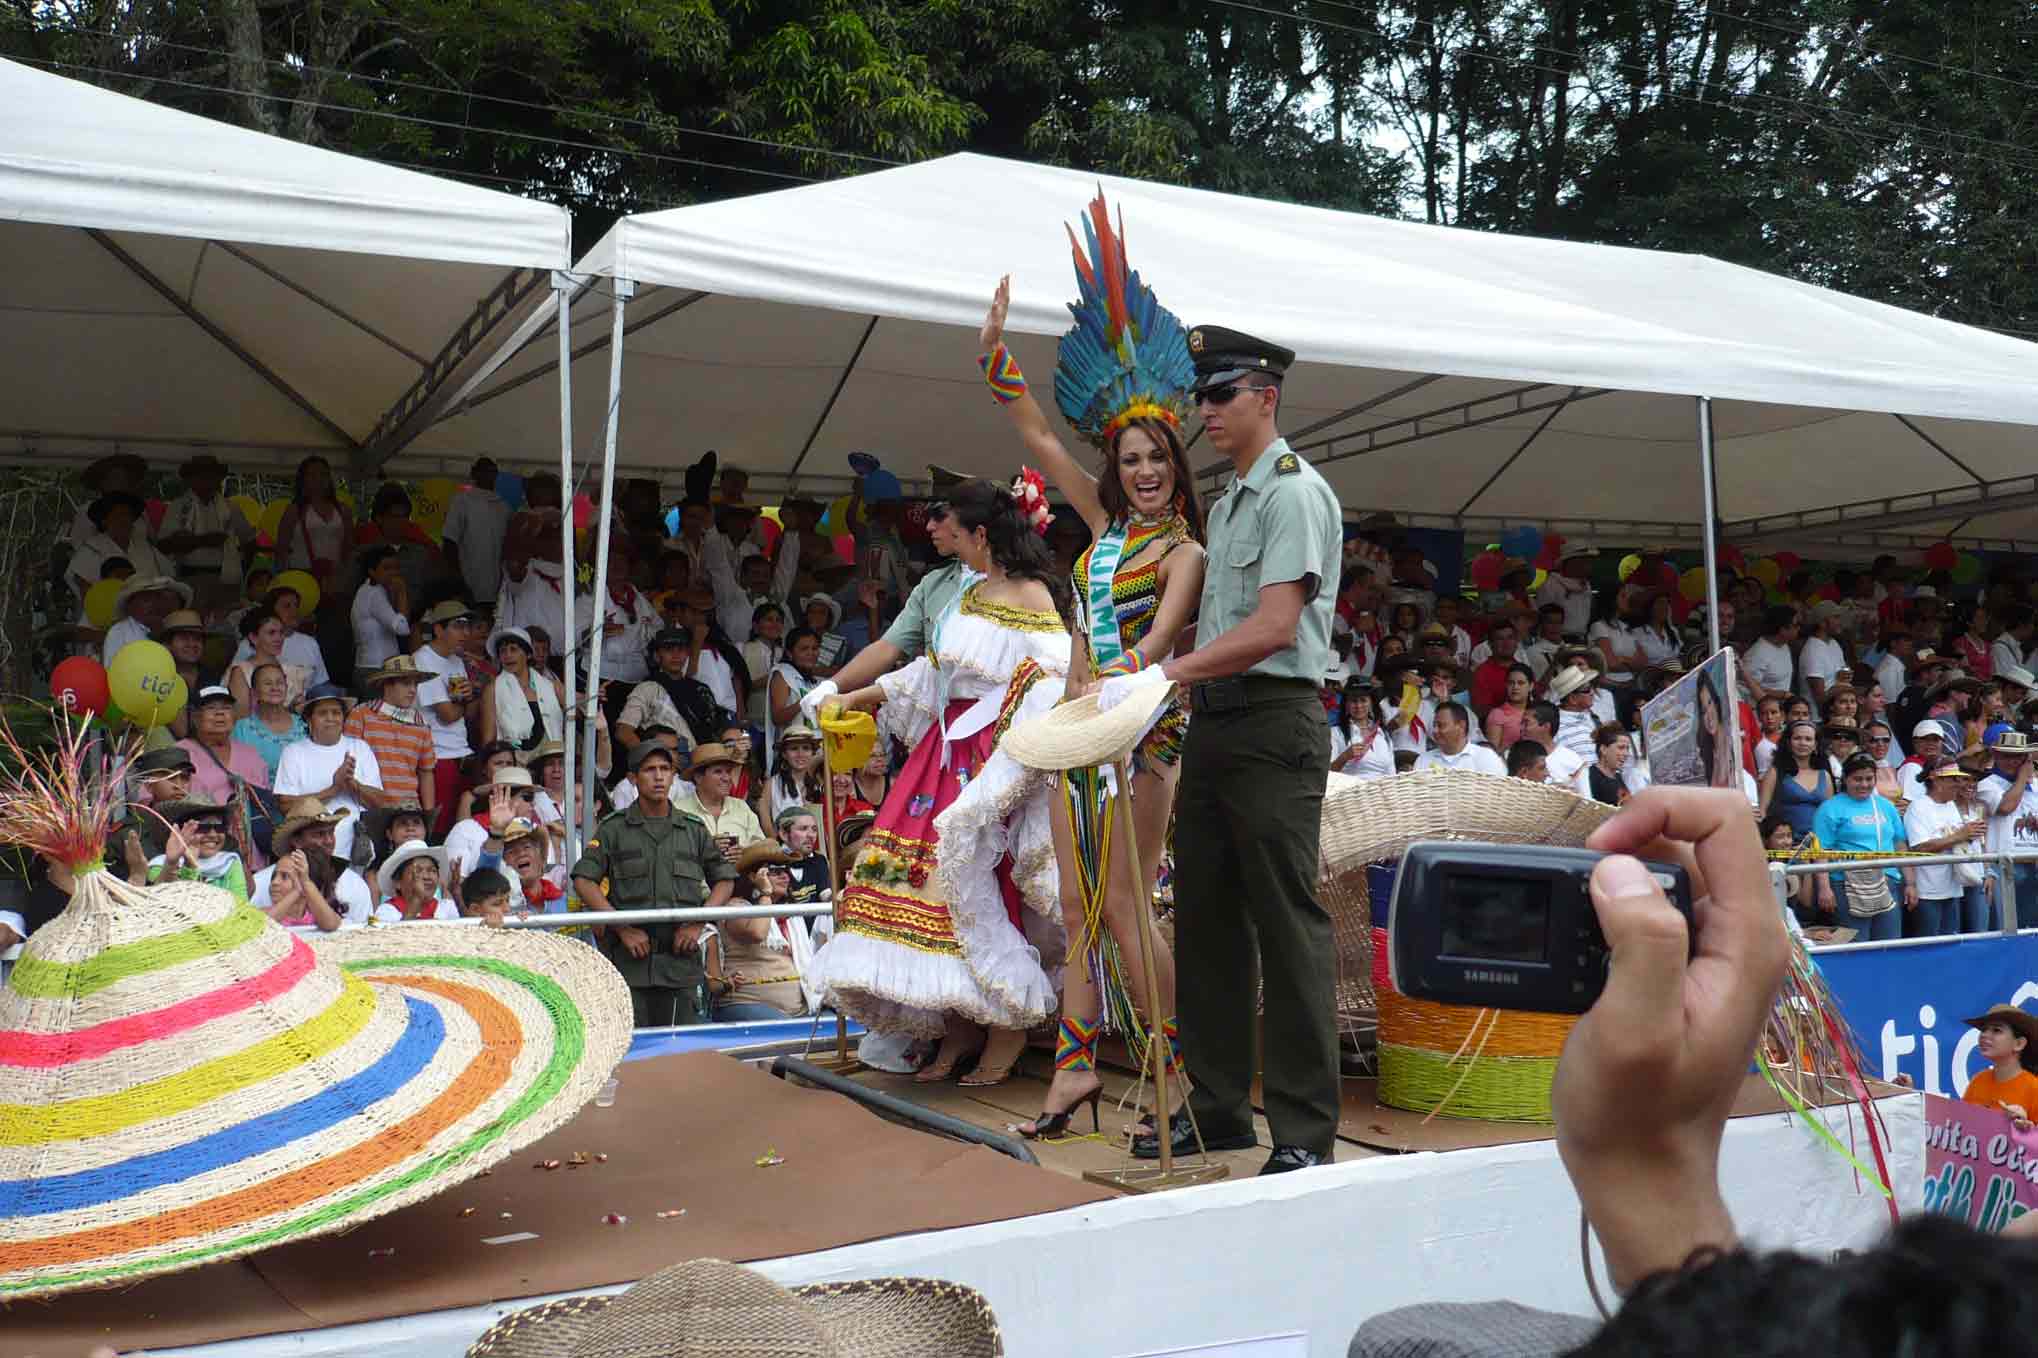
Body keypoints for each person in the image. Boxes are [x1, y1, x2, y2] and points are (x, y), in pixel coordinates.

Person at [1089, 322, 1340, 1175]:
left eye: (1219, 394)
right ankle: (1220, 1108)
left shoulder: (1290, 492)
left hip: (1274, 722)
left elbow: (1275, 627)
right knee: (1204, 921)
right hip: (1218, 722)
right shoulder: (1233, 499)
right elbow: (1230, 622)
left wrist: (1162, 672)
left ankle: (1303, 1130)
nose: (1206, 410)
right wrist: (1149, 663)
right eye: (1202, 395)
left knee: (1285, 921)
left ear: (1265, 397)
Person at [975, 252, 1208, 1131]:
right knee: (1078, 910)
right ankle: (1074, 1078)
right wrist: (995, 354)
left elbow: (1154, 648)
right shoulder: (1106, 529)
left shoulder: (1185, 552)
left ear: (1177, 464)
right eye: (1129, 457)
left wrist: (1104, 684)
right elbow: (1038, 438)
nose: (1143, 470)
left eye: (1156, 457)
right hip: (1078, 734)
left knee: (1122, 902)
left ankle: (1176, 1077)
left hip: (1144, 735)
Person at [807, 477, 1071, 1088]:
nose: (930, 528)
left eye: (942, 519)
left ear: (979, 533)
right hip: (943, 753)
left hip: (990, 755)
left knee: (982, 882)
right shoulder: (968, 593)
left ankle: (1005, 1027)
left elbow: (1054, 681)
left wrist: (1008, 751)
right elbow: (932, 671)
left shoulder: (1033, 594)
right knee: (930, 886)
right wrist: (852, 694)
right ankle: (958, 1026)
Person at [573, 742, 738, 1027]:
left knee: (680, 1054)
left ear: (674, 776)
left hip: (680, 963)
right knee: (633, 1055)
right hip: (629, 964)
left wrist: (698, 922)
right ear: (634, 778)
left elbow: (725, 880)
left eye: (665, 769)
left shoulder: (692, 828)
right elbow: (583, 880)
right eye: (650, 770)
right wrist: (622, 928)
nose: (659, 777)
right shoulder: (614, 828)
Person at [1809, 753, 1916, 941]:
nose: (1864, 784)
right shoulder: (1829, 808)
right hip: (1846, 884)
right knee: (1856, 944)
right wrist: (1824, 888)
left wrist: (1910, 883)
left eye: (1869, 779)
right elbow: (1820, 851)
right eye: (1857, 779)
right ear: (1846, 779)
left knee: (1890, 943)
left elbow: (1900, 845)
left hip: (1886, 881)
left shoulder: (1886, 806)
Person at [272, 683, 385, 861]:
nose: (331, 718)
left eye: (336, 712)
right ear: (309, 719)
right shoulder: (293, 752)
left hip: (356, 851)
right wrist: (334, 789)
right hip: (311, 853)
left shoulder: (360, 748)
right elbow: (285, 805)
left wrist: (352, 785)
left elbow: (379, 802)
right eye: (322, 713)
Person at [250, 797, 373, 929]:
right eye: (319, 834)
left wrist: (305, 884)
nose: (329, 841)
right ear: (296, 841)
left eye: (331, 833)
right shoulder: (259, 883)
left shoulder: (354, 883)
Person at [342, 655, 437, 821]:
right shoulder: (361, 714)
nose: (413, 690)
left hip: (409, 811)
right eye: (406, 683)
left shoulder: (421, 724)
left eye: (415, 684)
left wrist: (428, 816)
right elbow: (346, 764)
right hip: (368, 808)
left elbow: (426, 772)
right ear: (386, 684)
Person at [412, 600, 479, 834]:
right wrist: (465, 701)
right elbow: (449, 714)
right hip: (438, 755)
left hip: (463, 752)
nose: (465, 632)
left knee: (465, 828)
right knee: (440, 829)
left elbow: (469, 713)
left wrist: (469, 698)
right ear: (439, 629)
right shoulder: (423, 659)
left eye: (467, 626)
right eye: (458, 626)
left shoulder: (457, 660)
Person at [1903, 760, 1983, 939]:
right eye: (1953, 779)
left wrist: (1970, 836)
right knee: (1928, 946)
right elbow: (1919, 847)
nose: (1959, 784)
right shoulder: (1918, 807)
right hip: (1927, 891)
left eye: (1959, 778)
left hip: (1952, 887)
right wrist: (1960, 835)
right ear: (1936, 780)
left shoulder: (1950, 805)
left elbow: (1956, 840)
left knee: (1950, 943)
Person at [616, 627, 720, 756]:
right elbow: (623, 731)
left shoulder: (701, 689)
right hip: (666, 761)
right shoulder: (647, 688)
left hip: (701, 761)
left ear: (688, 653)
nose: (675, 655)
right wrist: (650, 759)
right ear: (657, 654)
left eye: (681, 650)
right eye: (668, 649)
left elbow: (715, 730)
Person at [176, 684, 272, 820]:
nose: (219, 713)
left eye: (226, 708)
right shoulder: (178, 753)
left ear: (234, 716)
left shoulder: (251, 754)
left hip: (248, 838)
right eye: (210, 708)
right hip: (201, 835)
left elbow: (266, 801)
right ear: (195, 718)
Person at [675, 742, 767, 871]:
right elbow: (671, 856)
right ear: (698, 777)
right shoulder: (678, 809)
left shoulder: (741, 807)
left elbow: (761, 850)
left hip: (740, 884)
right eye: (718, 772)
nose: (727, 778)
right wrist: (706, 850)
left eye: (728, 772)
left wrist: (745, 853)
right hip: (695, 887)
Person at [143, 795, 249, 904]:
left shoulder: (229, 862)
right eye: (203, 827)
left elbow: (241, 905)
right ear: (180, 831)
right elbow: (166, 905)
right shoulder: (160, 865)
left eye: (219, 827)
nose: (213, 834)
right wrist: (184, 865)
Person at [66, 490, 172, 598]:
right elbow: (86, 593)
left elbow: (169, 576)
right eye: (118, 515)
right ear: (104, 521)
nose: (124, 520)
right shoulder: (91, 549)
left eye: (128, 515)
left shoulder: (146, 548)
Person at [1977, 728, 2038, 914]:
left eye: (2018, 756)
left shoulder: (2034, 786)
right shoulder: (1987, 784)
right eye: (2006, 756)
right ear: (1995, 754)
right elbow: (2005, 807)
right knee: (2008, 924)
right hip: (2005, 864)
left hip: (2033, 862)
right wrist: (2022, 777)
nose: (2012, 761)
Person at [441, 457, 512, 607]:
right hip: (468, 585)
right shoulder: (461, 501)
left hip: (498, 588)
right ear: (474, 474)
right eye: (483, 471)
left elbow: (509, 547)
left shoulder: (504, 507)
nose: (488, 475)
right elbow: (449, 541)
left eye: (492, 472)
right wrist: (457, 580)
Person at [273, 456, 349, 597]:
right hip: (302, 577)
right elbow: (281, 549)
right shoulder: (294, 510)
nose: (318, 479)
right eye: (312, 474)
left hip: (335, 578)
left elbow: (348, 546)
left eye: (323, 474)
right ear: (303, 479)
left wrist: (344, 576)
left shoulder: (343, 510)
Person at [481, 625, 564, 752]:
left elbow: (577, 712)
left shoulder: (552, 686)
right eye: (503, 651)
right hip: (513, 762)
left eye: (513, 649)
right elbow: (488, 739)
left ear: (528, 654)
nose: (507, 655)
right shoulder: (492, 689)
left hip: (549, 761)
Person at [230, 583, 329, 689]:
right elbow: (233, 685)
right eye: (287, 606)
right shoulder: (251, 643)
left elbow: (320, 685)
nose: (294, 610)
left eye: (296, 605)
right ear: (272, 610)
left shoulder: (310, 643)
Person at [1960, 1005, 2038, 1126]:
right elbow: (1961, 1124)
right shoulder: (1978, 1081)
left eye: (1997, 1030)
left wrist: (2028, 1129)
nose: (1984, 1035)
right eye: (1984, 1030)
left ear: (2019, 1043)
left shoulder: (2034, 1088)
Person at [232, 660, 306, 781]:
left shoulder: (304, 726)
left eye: (279, 682)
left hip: (305, 796)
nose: (275, 688)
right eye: (267, 683)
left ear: (286, 687)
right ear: (254, 692)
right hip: (259, 797)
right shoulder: (241, 729)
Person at [350, 546, 412, 685]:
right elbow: (402, 628)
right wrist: (402, 592)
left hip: (368, 666)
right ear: (372, 571)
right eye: (387, 568)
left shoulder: (366, 590)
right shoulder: (374, 593)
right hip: (377, 669)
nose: (393, 573)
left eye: (396, 568)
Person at [1757, 721, 1830, 838]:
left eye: (1808, 739)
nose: (1803, 743)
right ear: (1788, 742)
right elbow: (1762, 811)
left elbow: (1830, 815)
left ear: (1815, 744)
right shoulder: (1775, 772)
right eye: (1797, 738)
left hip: (1818, 845)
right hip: (1785, 845)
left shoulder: (1824, 775)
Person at [101, 575, 189, 667]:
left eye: (155, 598)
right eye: (145, 599)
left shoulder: (164, 627)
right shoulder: (119, 631)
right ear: (129, 606)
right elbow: (111, 669)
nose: (152, 604)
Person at [1415, 702, 1508, 776]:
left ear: (1461, 726)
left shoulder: (1486, 757)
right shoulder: (1423, 760)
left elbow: (1499, 793)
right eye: (1434, 725)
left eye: (1440, 725)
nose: (1435, 731)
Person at [376, 841, 459, 921]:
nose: (426, 877)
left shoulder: (446, 908)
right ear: (398, 882)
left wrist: (457, 895)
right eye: (418, 871)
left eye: (432, 870)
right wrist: (416, 899)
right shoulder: (386, 911)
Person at [1331, 677, 1394, 780]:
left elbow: (1391, 774)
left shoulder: (1383, 734)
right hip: (1350, 792)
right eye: (1353, 701)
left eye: (1363, 700)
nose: (1358, 705)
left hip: (1381, 792)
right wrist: (1344, 757)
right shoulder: (1336, 733)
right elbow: (1328, 774)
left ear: (1371, 703)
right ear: (1346, 705)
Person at [763, 723, 824, 825]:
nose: (800, 754)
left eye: (806, 748)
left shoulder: (821, 783)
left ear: (813, 752)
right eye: (794, 748)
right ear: (784, 754)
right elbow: (765, 821)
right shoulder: (771, 784)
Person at [1483, 663, 1535, 751]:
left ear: (1531, 686)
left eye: (1521, 683)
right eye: (1511, 683)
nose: (1515, 687)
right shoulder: (1497, 714)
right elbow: (1492, 754)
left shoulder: (1537, 711)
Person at [1582, 723, 1635, 806]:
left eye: (1627, 748)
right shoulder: (1590, 777)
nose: (1626, 753)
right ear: (1603, 749)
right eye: (1621, 747)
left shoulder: (1618, 776)